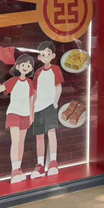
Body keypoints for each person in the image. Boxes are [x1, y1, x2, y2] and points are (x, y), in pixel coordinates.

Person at [0, 54, 35, 184]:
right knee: (15, 142)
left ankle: (18, 168)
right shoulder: (13, 81)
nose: (25, 67)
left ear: (31, 68)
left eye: (28, 65)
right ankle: (14, 170)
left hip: (25, 114)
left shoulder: (29, 82)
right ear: (17, 66)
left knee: (21, 142)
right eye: (23, 65)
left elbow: (31, 99)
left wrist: (31, 114)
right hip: (14, 113)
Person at [31, 41, 63, 179]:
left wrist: (55, 103)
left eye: (48, 53)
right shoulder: (38, 72)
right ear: (39, 57)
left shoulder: (55, 69)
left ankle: (53, 162)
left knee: (51, 132)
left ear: (53, 55)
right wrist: (32, 108)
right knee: (39, 135)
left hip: (50, 106)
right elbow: (34, 91)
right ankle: (40, 165)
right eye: (43, 54)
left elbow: (58, 88)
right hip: (38, 107)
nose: (45, 56)